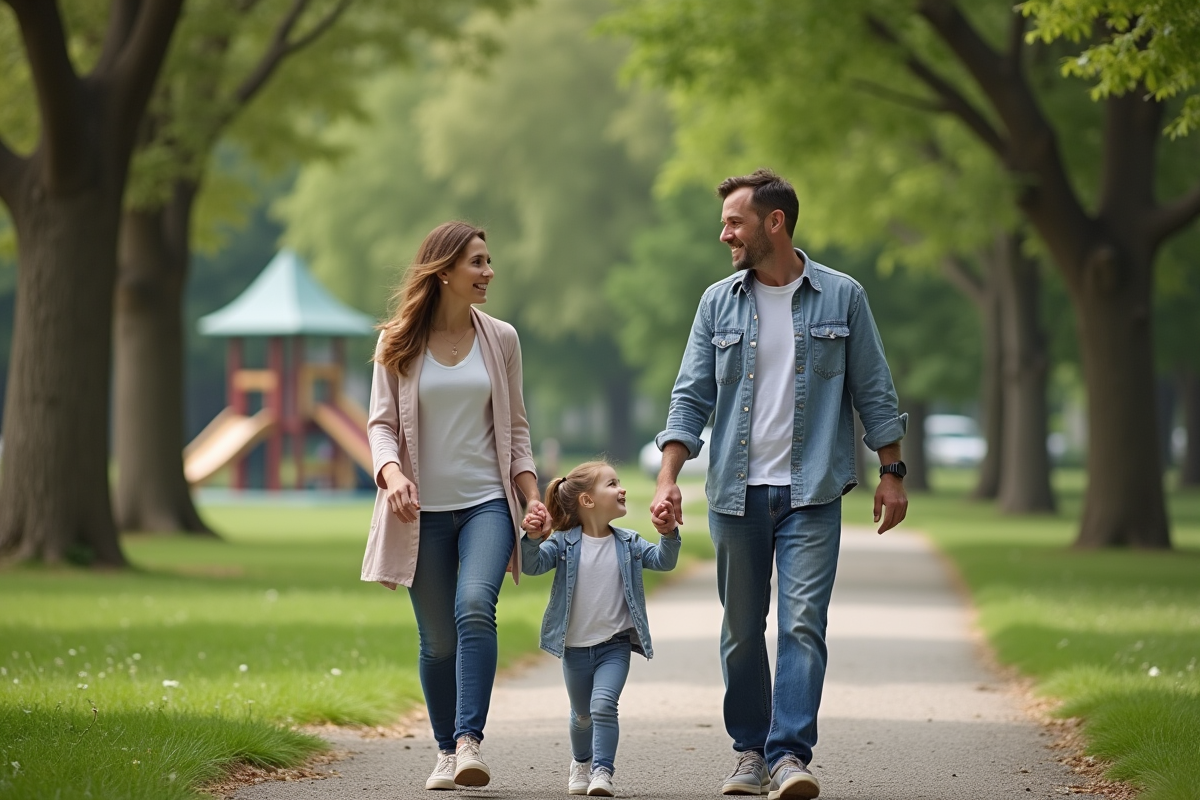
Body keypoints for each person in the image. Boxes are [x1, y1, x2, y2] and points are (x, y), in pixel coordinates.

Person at [650, 169, 908, 799]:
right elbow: (691, 396)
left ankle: (789, 754)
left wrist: (892, 472)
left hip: (812, 491)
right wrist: (667, 478)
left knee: (802, 625)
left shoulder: (842, 296)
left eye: (734, 222)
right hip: (735, 494)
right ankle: (749, 750)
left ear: (775, 222)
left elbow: (874, 389)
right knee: (742, 630)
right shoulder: (717, 303)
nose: (724, 235)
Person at [360, 221, 551, 791]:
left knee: (474, 606)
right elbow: (380, 426)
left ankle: (469, 742)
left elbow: (516, 430)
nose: (489, 272)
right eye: (478, 262)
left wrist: (532, 497)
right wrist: (392, 475)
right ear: (444, 271)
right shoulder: (397, 341)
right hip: (419, 515)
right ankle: (445, 751)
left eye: (488, 261)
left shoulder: (502, 339)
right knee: (438, 641)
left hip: (486, 504)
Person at [520, 460, 681, 797]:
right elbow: (532, 566)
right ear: (587, 500)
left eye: (619, 482)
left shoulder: (629, 543)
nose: (622, 489)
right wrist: (532, 538)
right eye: (612, 484)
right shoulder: (562, 544)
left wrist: (668, 534)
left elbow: (663, 561)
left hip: (614, 645)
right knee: (582, 715)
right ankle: (581, 762)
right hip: (575, 648)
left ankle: (603, 771)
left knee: (604, 706)